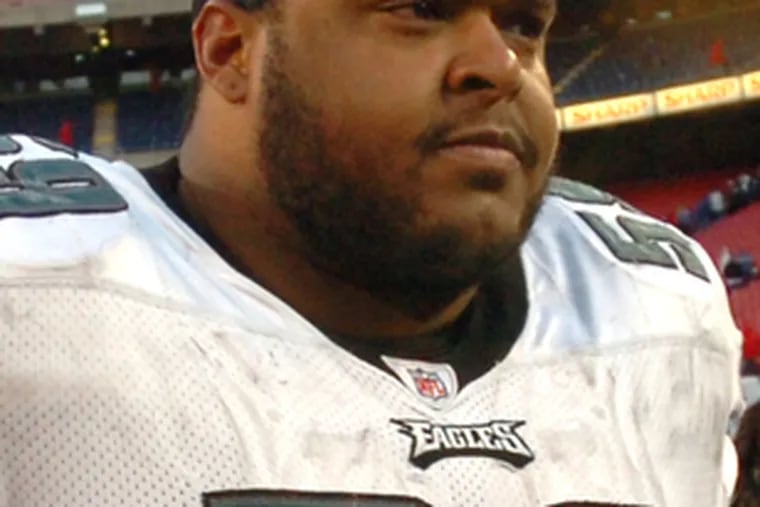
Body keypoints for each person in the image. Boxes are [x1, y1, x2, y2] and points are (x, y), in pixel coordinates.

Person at [0, 1, 744, 505]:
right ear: (231, 51)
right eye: (420, 9)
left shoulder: (653, 307)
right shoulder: (34, 286)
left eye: (523, 24)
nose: (500, 64)